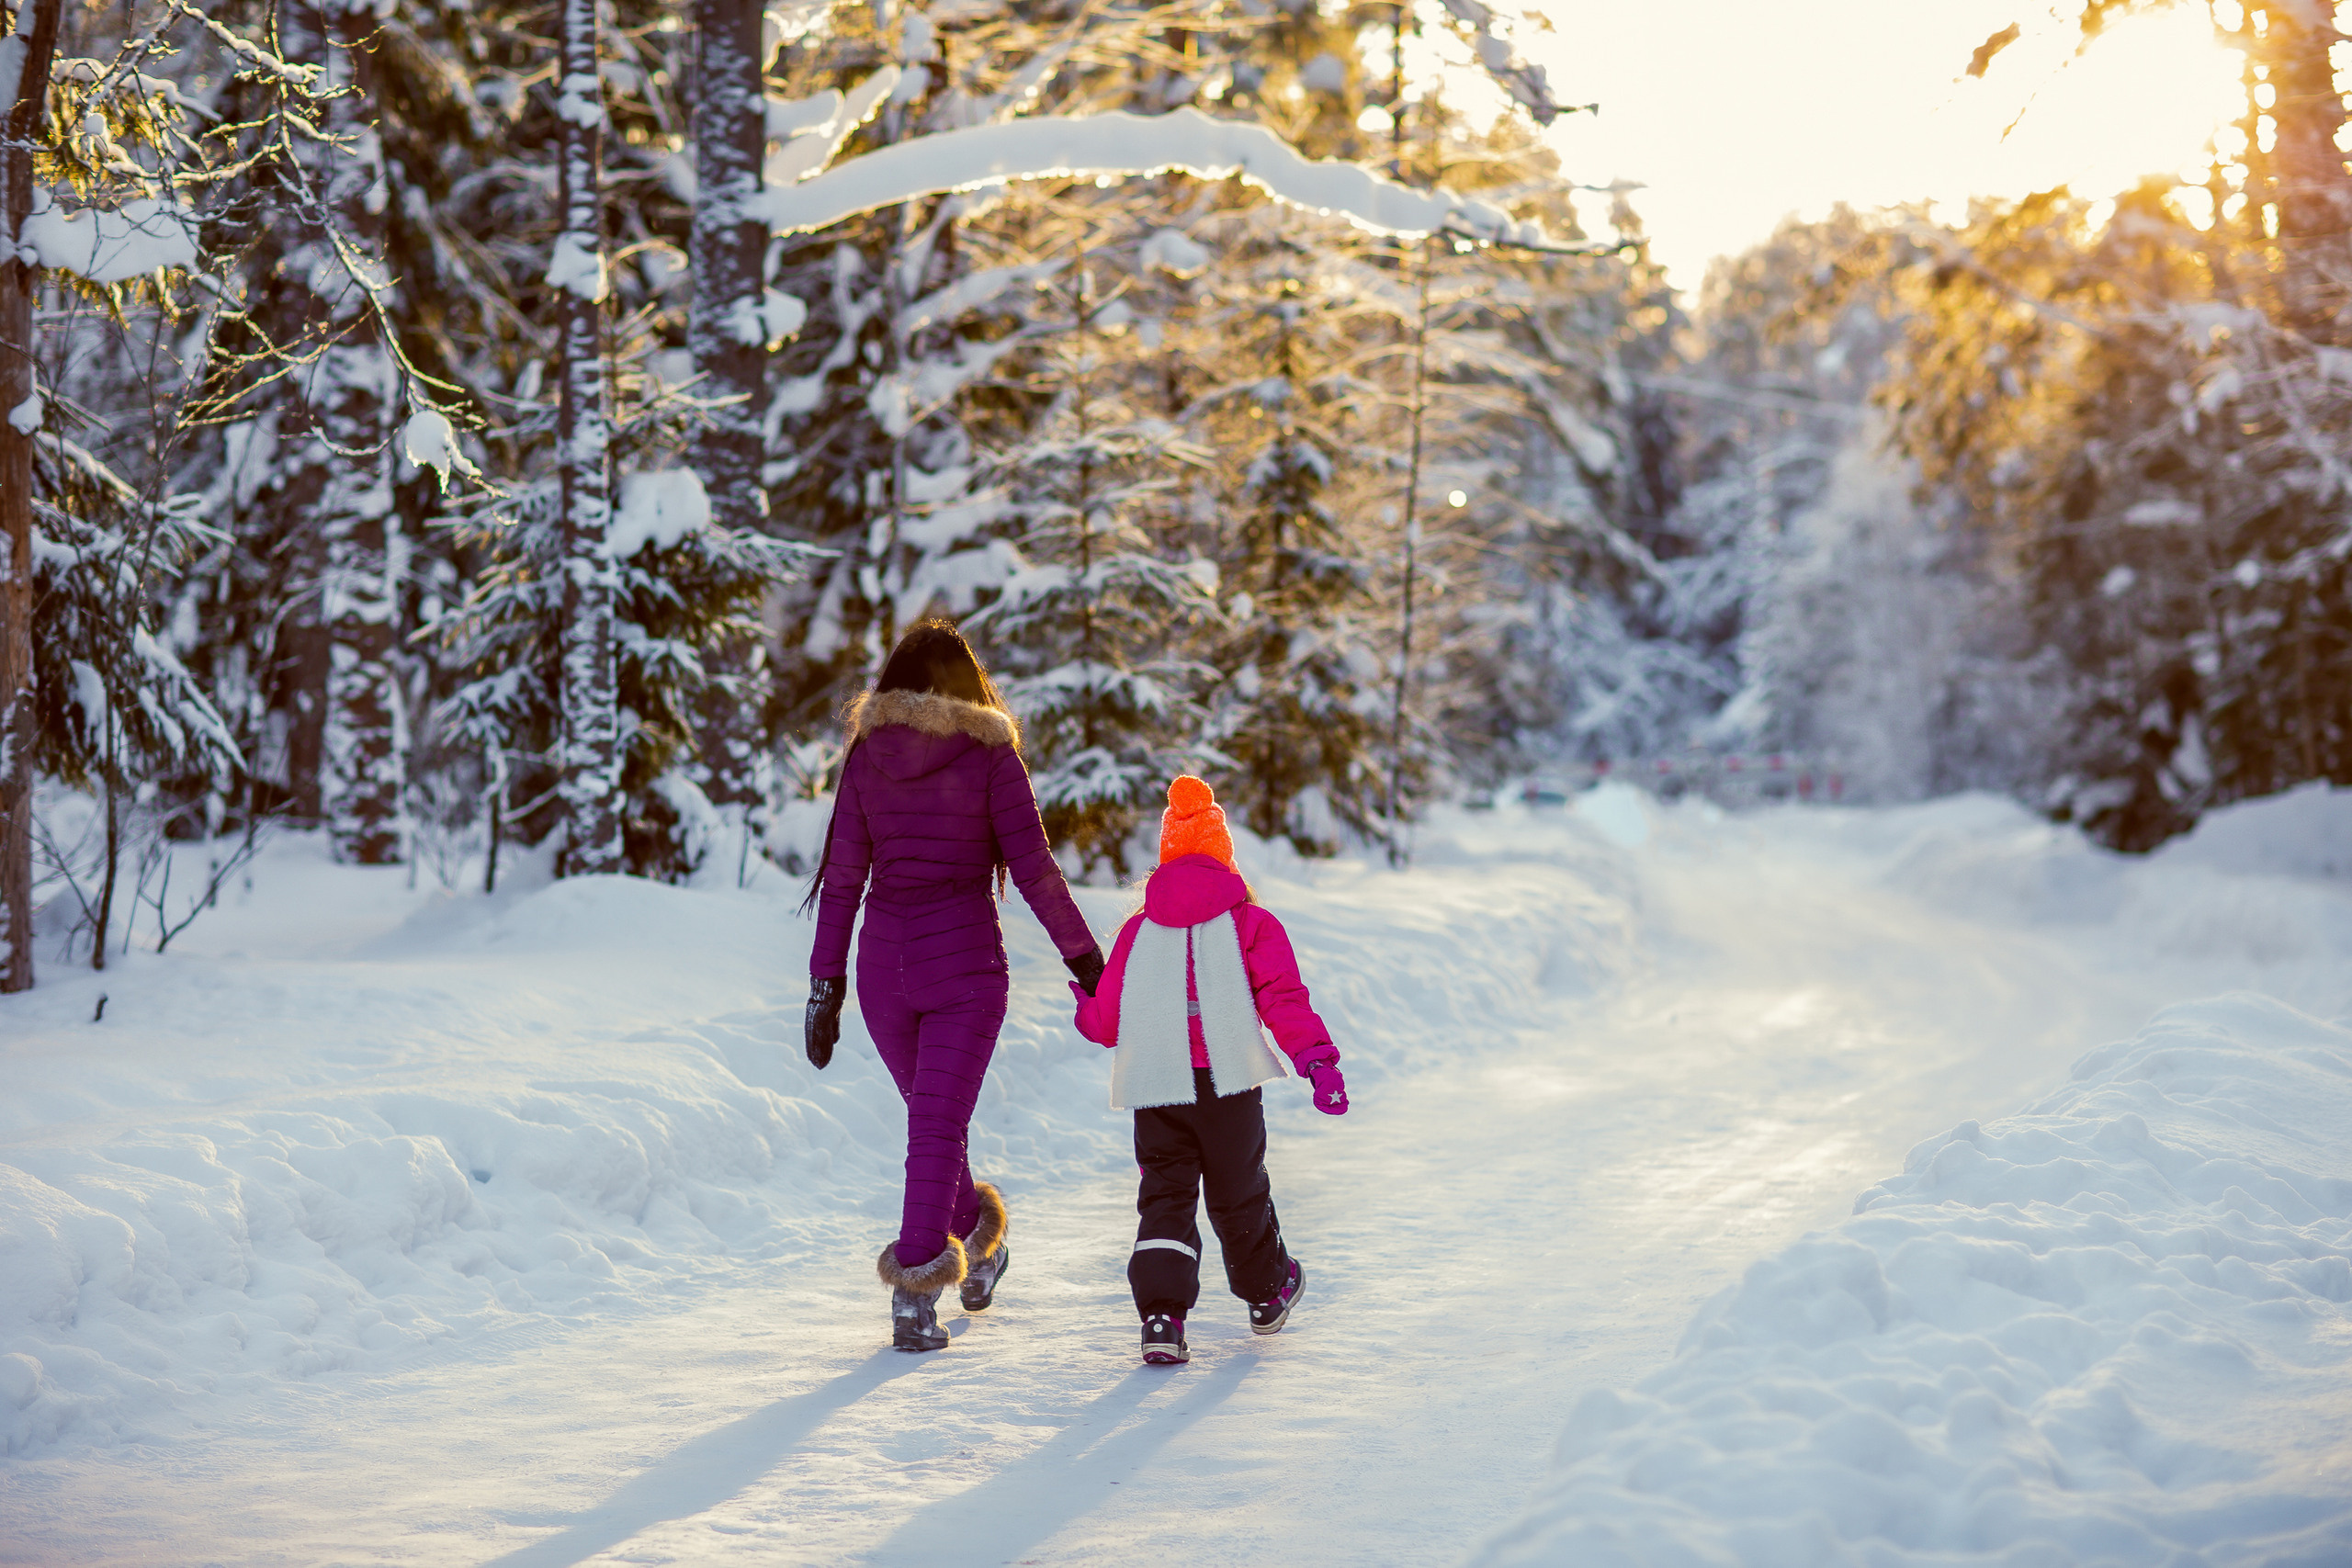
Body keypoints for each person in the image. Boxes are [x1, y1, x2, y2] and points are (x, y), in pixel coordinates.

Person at [802, 621, 1106, 1352]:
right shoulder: (991, 753)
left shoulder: (868, 754)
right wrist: (1088, 962)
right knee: (936, 1124)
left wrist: (825, 984)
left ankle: (981, 1246)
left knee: (932, 1117)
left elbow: (842, 878)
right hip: (964, 968)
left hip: (883, 969)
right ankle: (914, 1291)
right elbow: (1034, 871)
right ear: (970, 683)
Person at [1069, 775, 1349, 1365]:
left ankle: (1162, 1317)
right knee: (1238, 1190)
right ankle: (1268, 1294)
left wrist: (1086, 1005)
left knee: (1165, 1195)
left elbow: (1108, 1024)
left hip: (1158, 1086)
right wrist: (1316, 1061)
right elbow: (1283, 1000)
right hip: (1228, 1088)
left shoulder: (1139, 930)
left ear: (1167, 857)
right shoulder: (1253, 925)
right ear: (1224, 855)